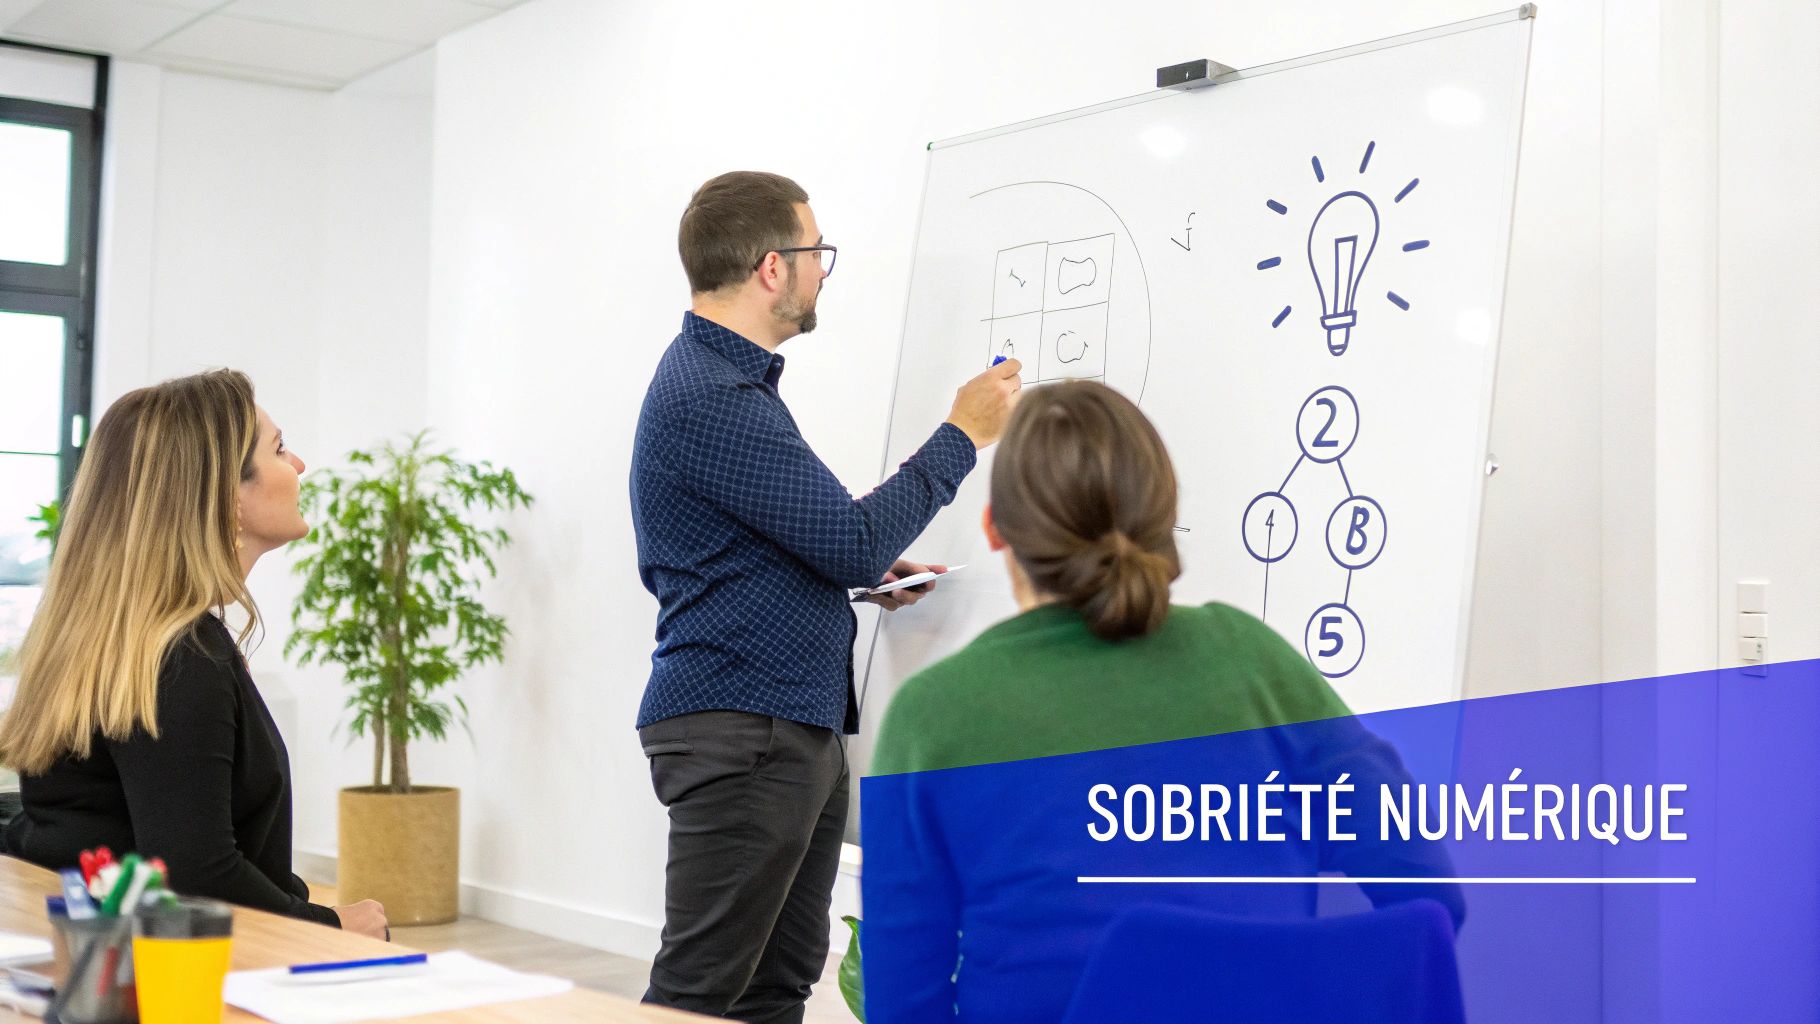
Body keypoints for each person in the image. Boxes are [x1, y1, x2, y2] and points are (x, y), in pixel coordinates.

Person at [865, 380, 1463, 1022]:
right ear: (1162, 521)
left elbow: (904, 1004)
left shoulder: (932, 715)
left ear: (994, 529)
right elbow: (1430, 890)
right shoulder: (1253, 661)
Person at [629, 170, 1020, 1022]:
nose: (822, 272)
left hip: (780, 724)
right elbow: (849, 537)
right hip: (748, 730)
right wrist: (962, 434)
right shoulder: (712, 395)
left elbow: (794, 545)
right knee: (698, 994)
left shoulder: (724, 385)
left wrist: (862, 572)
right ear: (773, 267)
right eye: (817, 253)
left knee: (775, 982)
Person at [0, 369, 388, 939]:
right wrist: (332, 926)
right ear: (226, 496)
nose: (300, 465)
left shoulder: (131, 642)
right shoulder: (180, 659)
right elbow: (197, 874)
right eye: (280, 449)